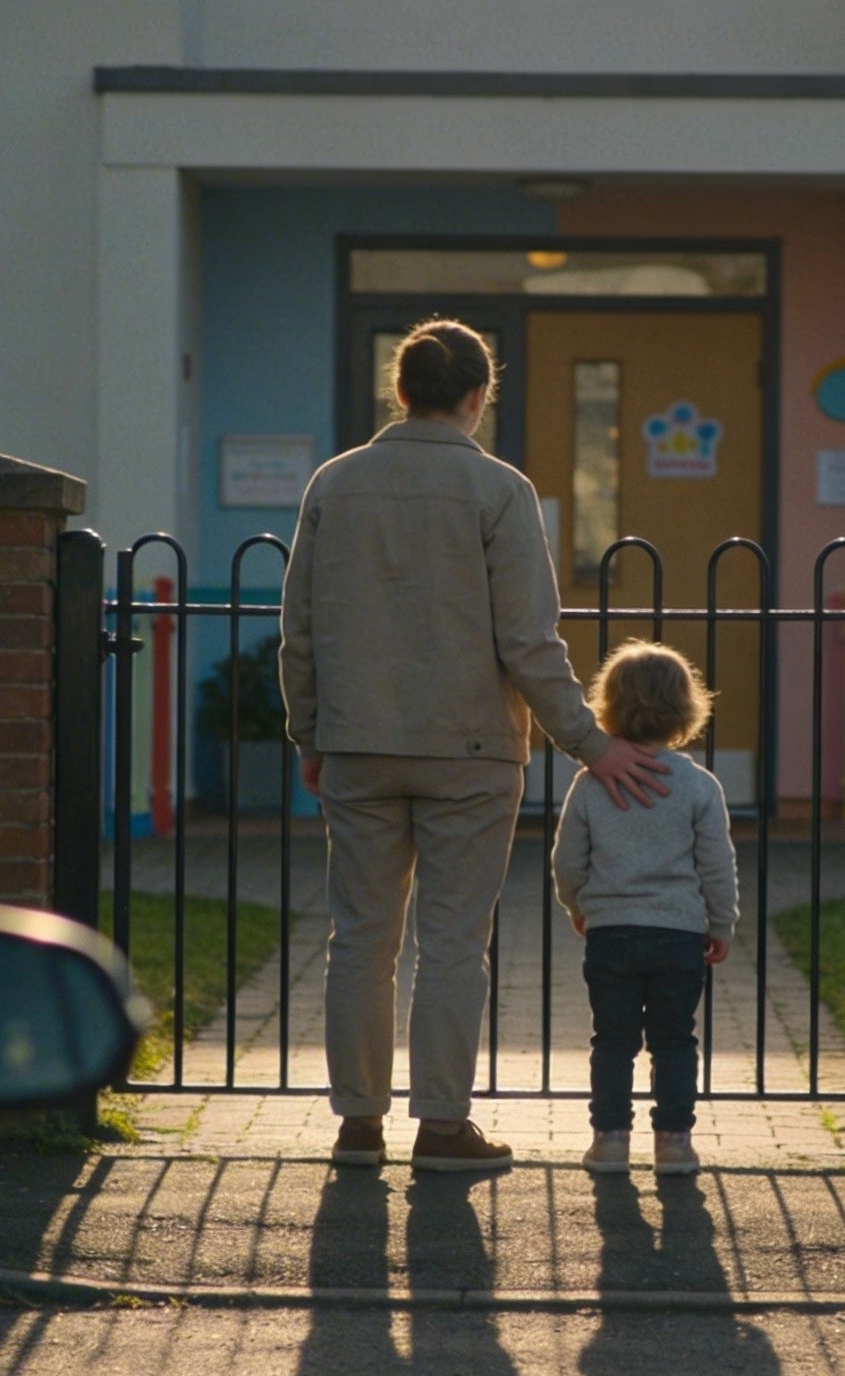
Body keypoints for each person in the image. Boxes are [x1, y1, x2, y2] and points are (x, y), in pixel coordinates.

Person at [280, 320, 673, 1172]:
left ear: (400, 390)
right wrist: (589, 743)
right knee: (454, 941)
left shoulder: (334, 484)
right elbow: (529, 640)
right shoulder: (499, 491)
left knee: (361, 937)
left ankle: (358, 1124)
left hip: (357, 743)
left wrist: (309, 731)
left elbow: (300, 629)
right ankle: (442, 1125)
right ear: (478, 395)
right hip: (471, 749)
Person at [549, 642, 737, 1177]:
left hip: (611, 934)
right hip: (679, 935)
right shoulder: (699, 785)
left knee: (612, 1041)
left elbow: (567, 859)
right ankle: (674, 1143)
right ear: (686, 708)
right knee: (675, 1039)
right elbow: (716, 865)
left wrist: (577, 904)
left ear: (608, 705)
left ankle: (609, 1140)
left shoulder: (591, 783)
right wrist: (720, 923)